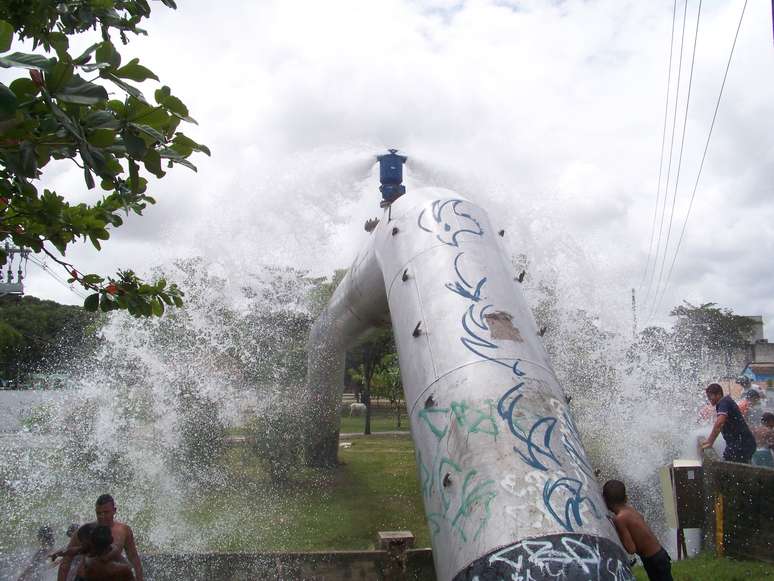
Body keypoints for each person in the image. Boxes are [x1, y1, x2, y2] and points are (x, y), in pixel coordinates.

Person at [57, 495, 143, 581]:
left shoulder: (124, 530)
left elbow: (133, 557)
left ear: (114, 511)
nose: (102, 516)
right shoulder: (86, 531)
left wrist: (140, 579)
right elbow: (66, 561)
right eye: (98, 513)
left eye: (106, 512)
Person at [602, 480, 672, 581]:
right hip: (659, 555)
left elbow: (631, 549)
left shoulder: (619, 519)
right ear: (625, 497)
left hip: (654, 560)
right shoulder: (630, 510)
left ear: (605, 500)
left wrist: (616, 532)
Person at [700, 383, 756, 463]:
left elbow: (719, 423)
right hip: (741, 443)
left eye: (710, 396)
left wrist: (710, 441)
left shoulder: (724, 402)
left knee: (728, 468)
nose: (709, 399)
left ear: (718, 394)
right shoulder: (725, 401)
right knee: (732, 464)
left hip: (741, 444)